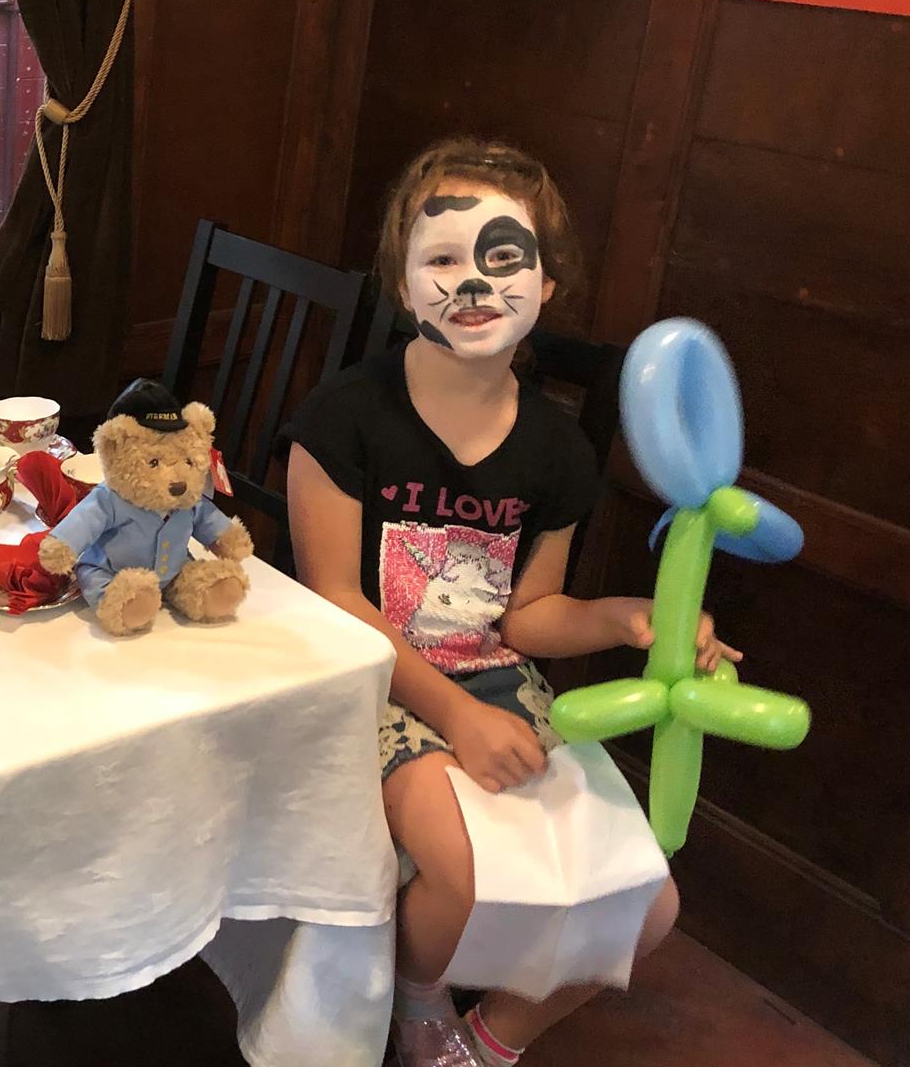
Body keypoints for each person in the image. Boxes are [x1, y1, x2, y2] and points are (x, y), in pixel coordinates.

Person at [284, 137, 725, 1066]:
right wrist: (451, 716)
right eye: (442, 258)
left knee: (651, 904)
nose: (472, 284)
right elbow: (331, 598)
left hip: (499, 679)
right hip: (370, 678)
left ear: (546, 285)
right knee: (465, 865)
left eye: (503, 258)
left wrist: (621, 619)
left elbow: (529, 617)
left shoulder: (559, 452)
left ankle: (488, 1042)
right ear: (402, 284)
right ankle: (416, 1000)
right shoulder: (343, 417)